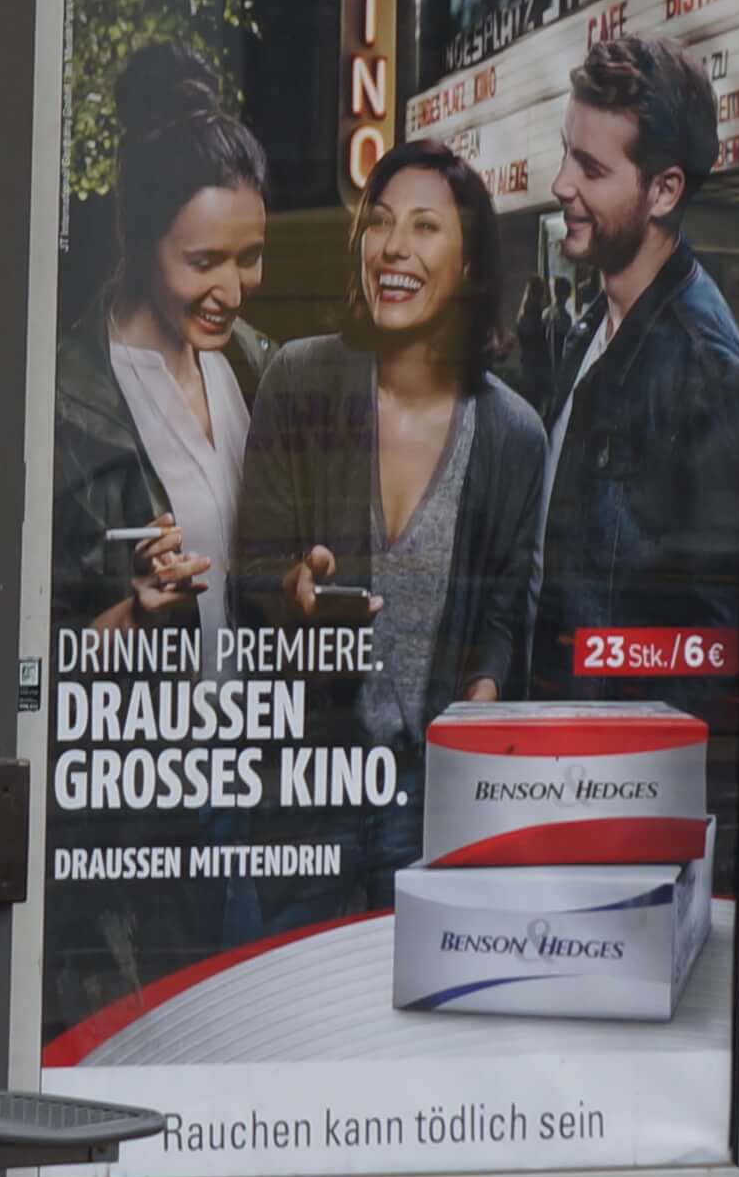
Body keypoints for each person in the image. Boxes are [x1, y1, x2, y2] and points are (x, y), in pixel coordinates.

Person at [229, 138, 550, 902]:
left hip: (438, 801)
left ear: (471, 262)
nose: (394, 246)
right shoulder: (301, 379)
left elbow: (510, 607)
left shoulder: (512, 436)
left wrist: (487, 686)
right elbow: (251, 564)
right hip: (307, 788)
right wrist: (293, 590)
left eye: (425, 226)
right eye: (379, 222)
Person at [526, 28, 739, 877]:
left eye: (591, 169)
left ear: (663, 190)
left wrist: (621, 809)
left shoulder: (704, 372)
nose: (561, 186)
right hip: (561, 782)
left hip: (618, 810)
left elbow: (709, 647)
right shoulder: (590, 324)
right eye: (565, 158)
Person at [49, 47, 274, 652]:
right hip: (147, 741)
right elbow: (24, 652)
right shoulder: (66, 404)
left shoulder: (255, 368)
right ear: (139, 242)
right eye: (203, 263)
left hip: (254, 736)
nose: (231, 292)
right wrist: (133, 619)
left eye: (249, 258)